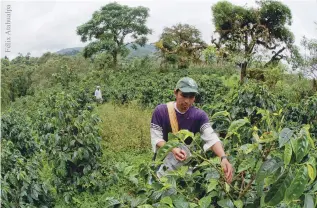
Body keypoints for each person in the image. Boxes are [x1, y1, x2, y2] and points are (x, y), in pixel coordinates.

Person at [150, 77, 233, 183]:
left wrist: (223, 157)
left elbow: (211, 137)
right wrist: (173, 149)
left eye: (191, 97)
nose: (187, 101)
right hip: (162, 164)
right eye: (183, 95)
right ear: (175, 93)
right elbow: (156, 138)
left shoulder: (199, 115)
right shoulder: (161, 111)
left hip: (185, 165)